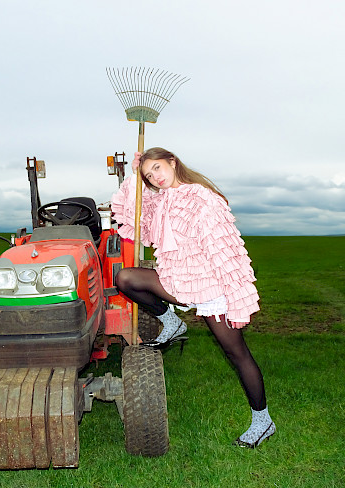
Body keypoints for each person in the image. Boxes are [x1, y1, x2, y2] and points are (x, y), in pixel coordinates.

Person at [111, 147, 275, 448]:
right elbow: (136, 216)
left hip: (213, 287)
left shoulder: (202, 199)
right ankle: (170, 321)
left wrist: (237, 301)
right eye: (149, 175)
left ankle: (262, 420)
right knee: (126, 278)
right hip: (178, 282)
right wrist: (135, 177)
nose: (155, 178)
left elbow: (228, 255)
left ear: (173, 162)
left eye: (158, 168)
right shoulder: (161, 202)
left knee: (236, 354)